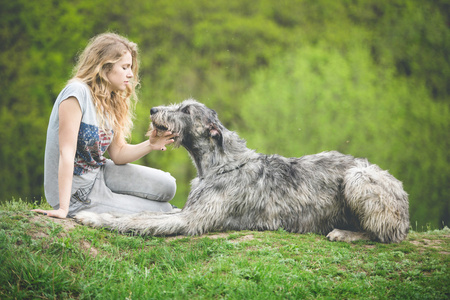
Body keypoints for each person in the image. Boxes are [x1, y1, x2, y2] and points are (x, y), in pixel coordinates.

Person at [33, 33, 177, 219]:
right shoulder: (76, 93)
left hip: (100, 173)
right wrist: (63, 208)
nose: (131, 74)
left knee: (168, 186)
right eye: (125, 67)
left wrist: (150, 144)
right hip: (78, 192)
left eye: (131, 67)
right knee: (163, 211)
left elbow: (118, 154)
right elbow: (66, 153)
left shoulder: (111, 99)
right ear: (104, 67)